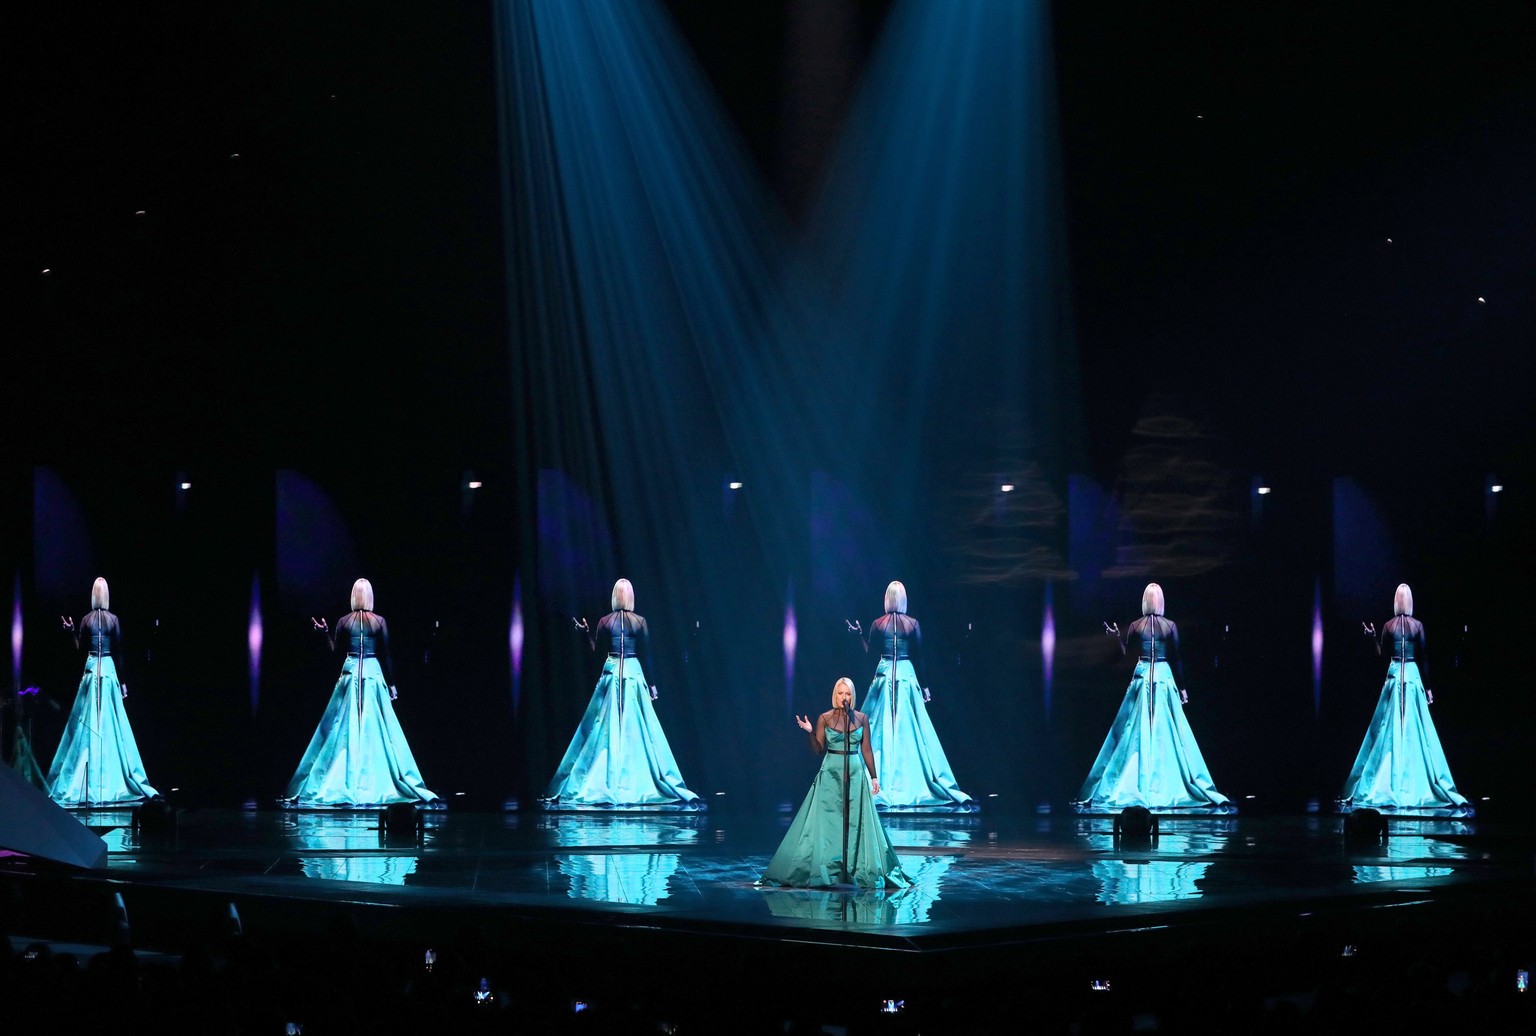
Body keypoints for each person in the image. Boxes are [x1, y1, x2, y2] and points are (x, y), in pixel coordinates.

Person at [1074, 583, 1231, 813]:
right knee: (1169, 732)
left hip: (1144, 676)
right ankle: (1164, 783)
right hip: (1162, 677)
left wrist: (1117, 637)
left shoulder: (1137, 625)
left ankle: (1133, 782)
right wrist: (1183, 687)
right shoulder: (1170, 626)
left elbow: (1125, 654)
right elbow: (1177, 658)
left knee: (1133, 732)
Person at [543, 579, 699, 808]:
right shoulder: (640, 622)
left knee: (603, 729)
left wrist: (585, 634)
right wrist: (653, 685)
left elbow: (596, 654)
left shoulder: (605, 621)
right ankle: (635, 779)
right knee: (638, 730)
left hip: (613, 673)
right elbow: (648, 655)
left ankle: (604, 778)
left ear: (615, 596)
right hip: (633, 675)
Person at [282, 578, 438, 807]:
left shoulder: (345, 621)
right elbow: (387, 654)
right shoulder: (379, 621)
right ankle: (374, 779)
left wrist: (324, 633)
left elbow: (335, 652)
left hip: (352, 673)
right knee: (378, 729)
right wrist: (392, 683)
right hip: (372, 675)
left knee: (341, 728)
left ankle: (341, 778)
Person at [759, 678, 911, 888]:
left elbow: (866, 749)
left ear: (852, 696)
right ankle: (829, 867)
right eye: (840, 693)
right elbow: (817, 749)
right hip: (831, 772)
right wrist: (810, 731)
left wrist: (874, 776)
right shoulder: (825, 718)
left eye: (847, 694)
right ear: (835, 695)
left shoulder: (861, 718)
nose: (844, 697)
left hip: (855, 772)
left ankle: (855, 869)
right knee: (828, 822)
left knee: (856, 821)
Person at [1339, 583, 1471, 814]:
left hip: (1394, 677)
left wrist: (1372, 638)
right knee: (1414, 730)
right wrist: (1428, 688)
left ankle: (1385, 782)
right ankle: (1415, 781)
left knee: (1387, 730)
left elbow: (1381, 655)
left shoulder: (1389, 626)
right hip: (1410, 677)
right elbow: (1424, 658)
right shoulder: (1417, 626)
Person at [853, 581, 973, 809]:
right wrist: (925, 686)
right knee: (913, 732)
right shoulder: (912, 624)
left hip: (885, 675)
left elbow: (870, 657)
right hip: (906, 678)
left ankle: (878, 781)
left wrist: (859, 637)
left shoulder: (878, 623)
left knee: (880, 731)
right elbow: (919, 657)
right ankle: (911, 782)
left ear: (887, 598)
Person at [47, 577, 160, 805]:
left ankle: (84, 778)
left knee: (86, 724)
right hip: (107, 671)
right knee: (110, 723)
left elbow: (80, 651)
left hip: (91, 671)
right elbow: (118, 651)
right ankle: (111, 775)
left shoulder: (86, 619)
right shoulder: (113, 620)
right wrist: (124, 681)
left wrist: (70, 632)